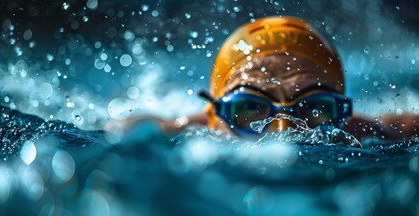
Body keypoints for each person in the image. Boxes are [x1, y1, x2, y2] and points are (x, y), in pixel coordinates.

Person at [109, 16, 419, 141]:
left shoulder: (361, 129)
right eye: (249, 108)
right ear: (216, 113)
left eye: (314, 108)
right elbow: (120, 129)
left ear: (341, 111)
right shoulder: (194, 130)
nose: (282, 133)